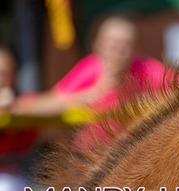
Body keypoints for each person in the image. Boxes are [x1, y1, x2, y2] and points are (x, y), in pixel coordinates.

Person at [12, 16, 170, 117]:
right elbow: (55, 100)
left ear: (134, 50)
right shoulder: (92, 67)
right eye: (111, 42)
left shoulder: (146, 69)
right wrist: (15, 106)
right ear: (98, 45)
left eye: (125, 44)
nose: (117, 49)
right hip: (91, 151)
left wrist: (150, 101)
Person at [0, 47, 37, 191]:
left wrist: (15, 106)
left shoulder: (25, 101)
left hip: (17, 178)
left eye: (4, 74)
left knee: (7, 190)